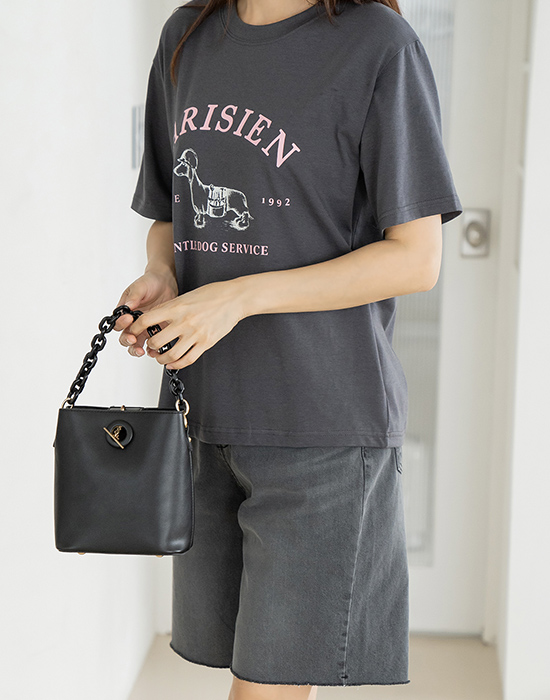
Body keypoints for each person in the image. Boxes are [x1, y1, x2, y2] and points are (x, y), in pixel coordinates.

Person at [115, 0, 463, 697]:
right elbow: (170, 214)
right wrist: (162, 275)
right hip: (202, 417)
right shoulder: (187, 35)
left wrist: (238, 297)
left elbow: (416, 258)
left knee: (266, 688)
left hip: (322, 427)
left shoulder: (378, 45)